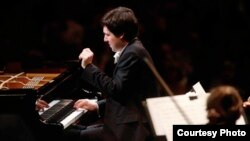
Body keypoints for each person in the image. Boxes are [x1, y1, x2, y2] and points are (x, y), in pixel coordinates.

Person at [68, 6, 160, 141]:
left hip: (132, 130)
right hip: (126, 121)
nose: (105, 39)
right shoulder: (133, 49)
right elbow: (126, 93)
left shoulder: (132, 53)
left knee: (70, 136)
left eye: (107, 34)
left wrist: (88, 66)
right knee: (75, 131)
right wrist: (97, 105)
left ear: (121, 34)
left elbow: (114, 89)